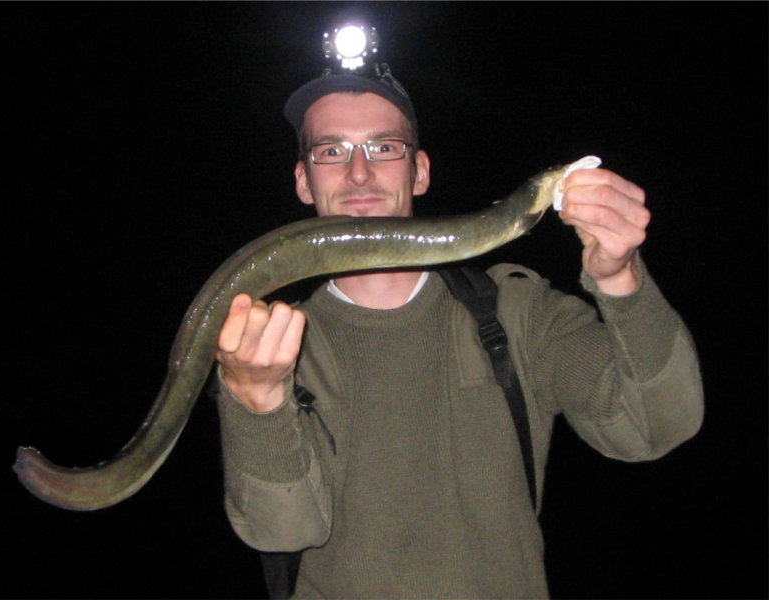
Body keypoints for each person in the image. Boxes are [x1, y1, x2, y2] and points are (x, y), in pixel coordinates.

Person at [212, 61, 704, 598]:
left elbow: (655, 428)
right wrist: (258, 401)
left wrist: (620, 280)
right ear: (304, 180)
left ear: (419, 171)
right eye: (332, 151)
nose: (358, 174)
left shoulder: (518, 311)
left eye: (384, 147)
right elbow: (280, 533)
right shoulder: (265, 348)